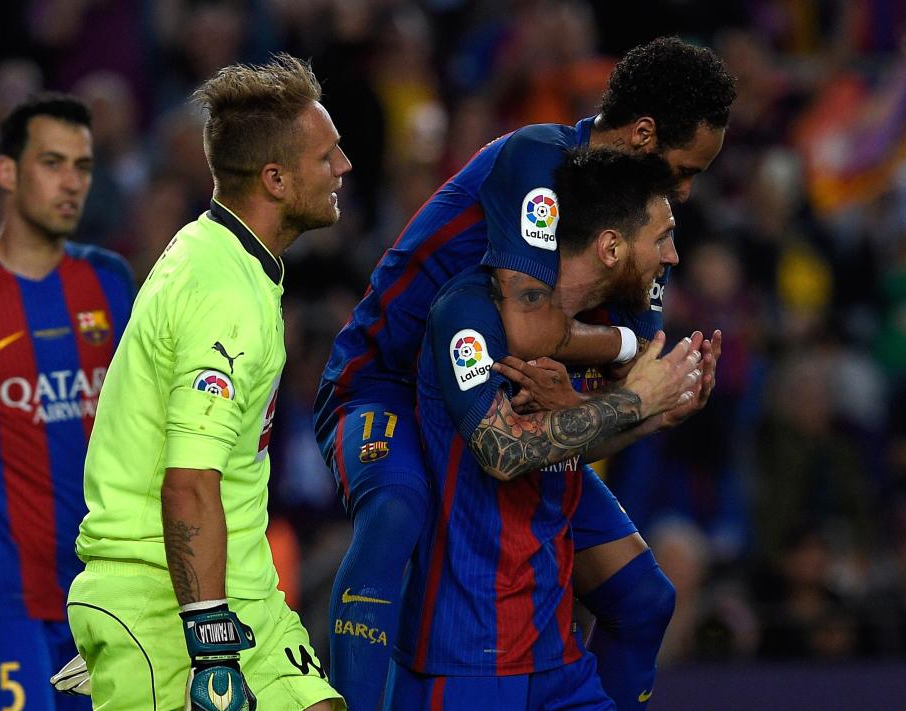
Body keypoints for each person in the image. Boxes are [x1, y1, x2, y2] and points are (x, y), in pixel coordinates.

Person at [315, 36, 734, 710]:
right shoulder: (538, 163)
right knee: (397, 508)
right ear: (644, 134)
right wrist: (628, 369)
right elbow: (532, 329)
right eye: (683, 169)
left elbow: (626, 377)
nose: (684, 192)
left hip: (491, 394)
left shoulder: (642, 236)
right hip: (384, 380)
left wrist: (651, 400)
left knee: (643, 598)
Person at [66, 56, 350, 711]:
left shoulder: (233, 259)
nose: (344, 167)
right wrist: (212, 648)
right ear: (275, 179)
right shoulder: (222, 292)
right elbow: (189, 482)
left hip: (244, 585)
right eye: (326, 155)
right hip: (160, 599)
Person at [384, 148, 707, 709]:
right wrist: (633, 398)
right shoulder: (472, 312)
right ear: (611, 247)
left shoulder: (592, 329)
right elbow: (504, 451)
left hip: (557, 662)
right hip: (467, 663)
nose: (674, 256)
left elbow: (564, 447)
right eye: (663, 238)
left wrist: (651, 415)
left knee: (648, 599)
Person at [0, 93, 135, 710]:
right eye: (52, 162)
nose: (72, 182)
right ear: (7, 172)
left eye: (82, 166)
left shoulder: (110, 283)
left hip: (102, 598)